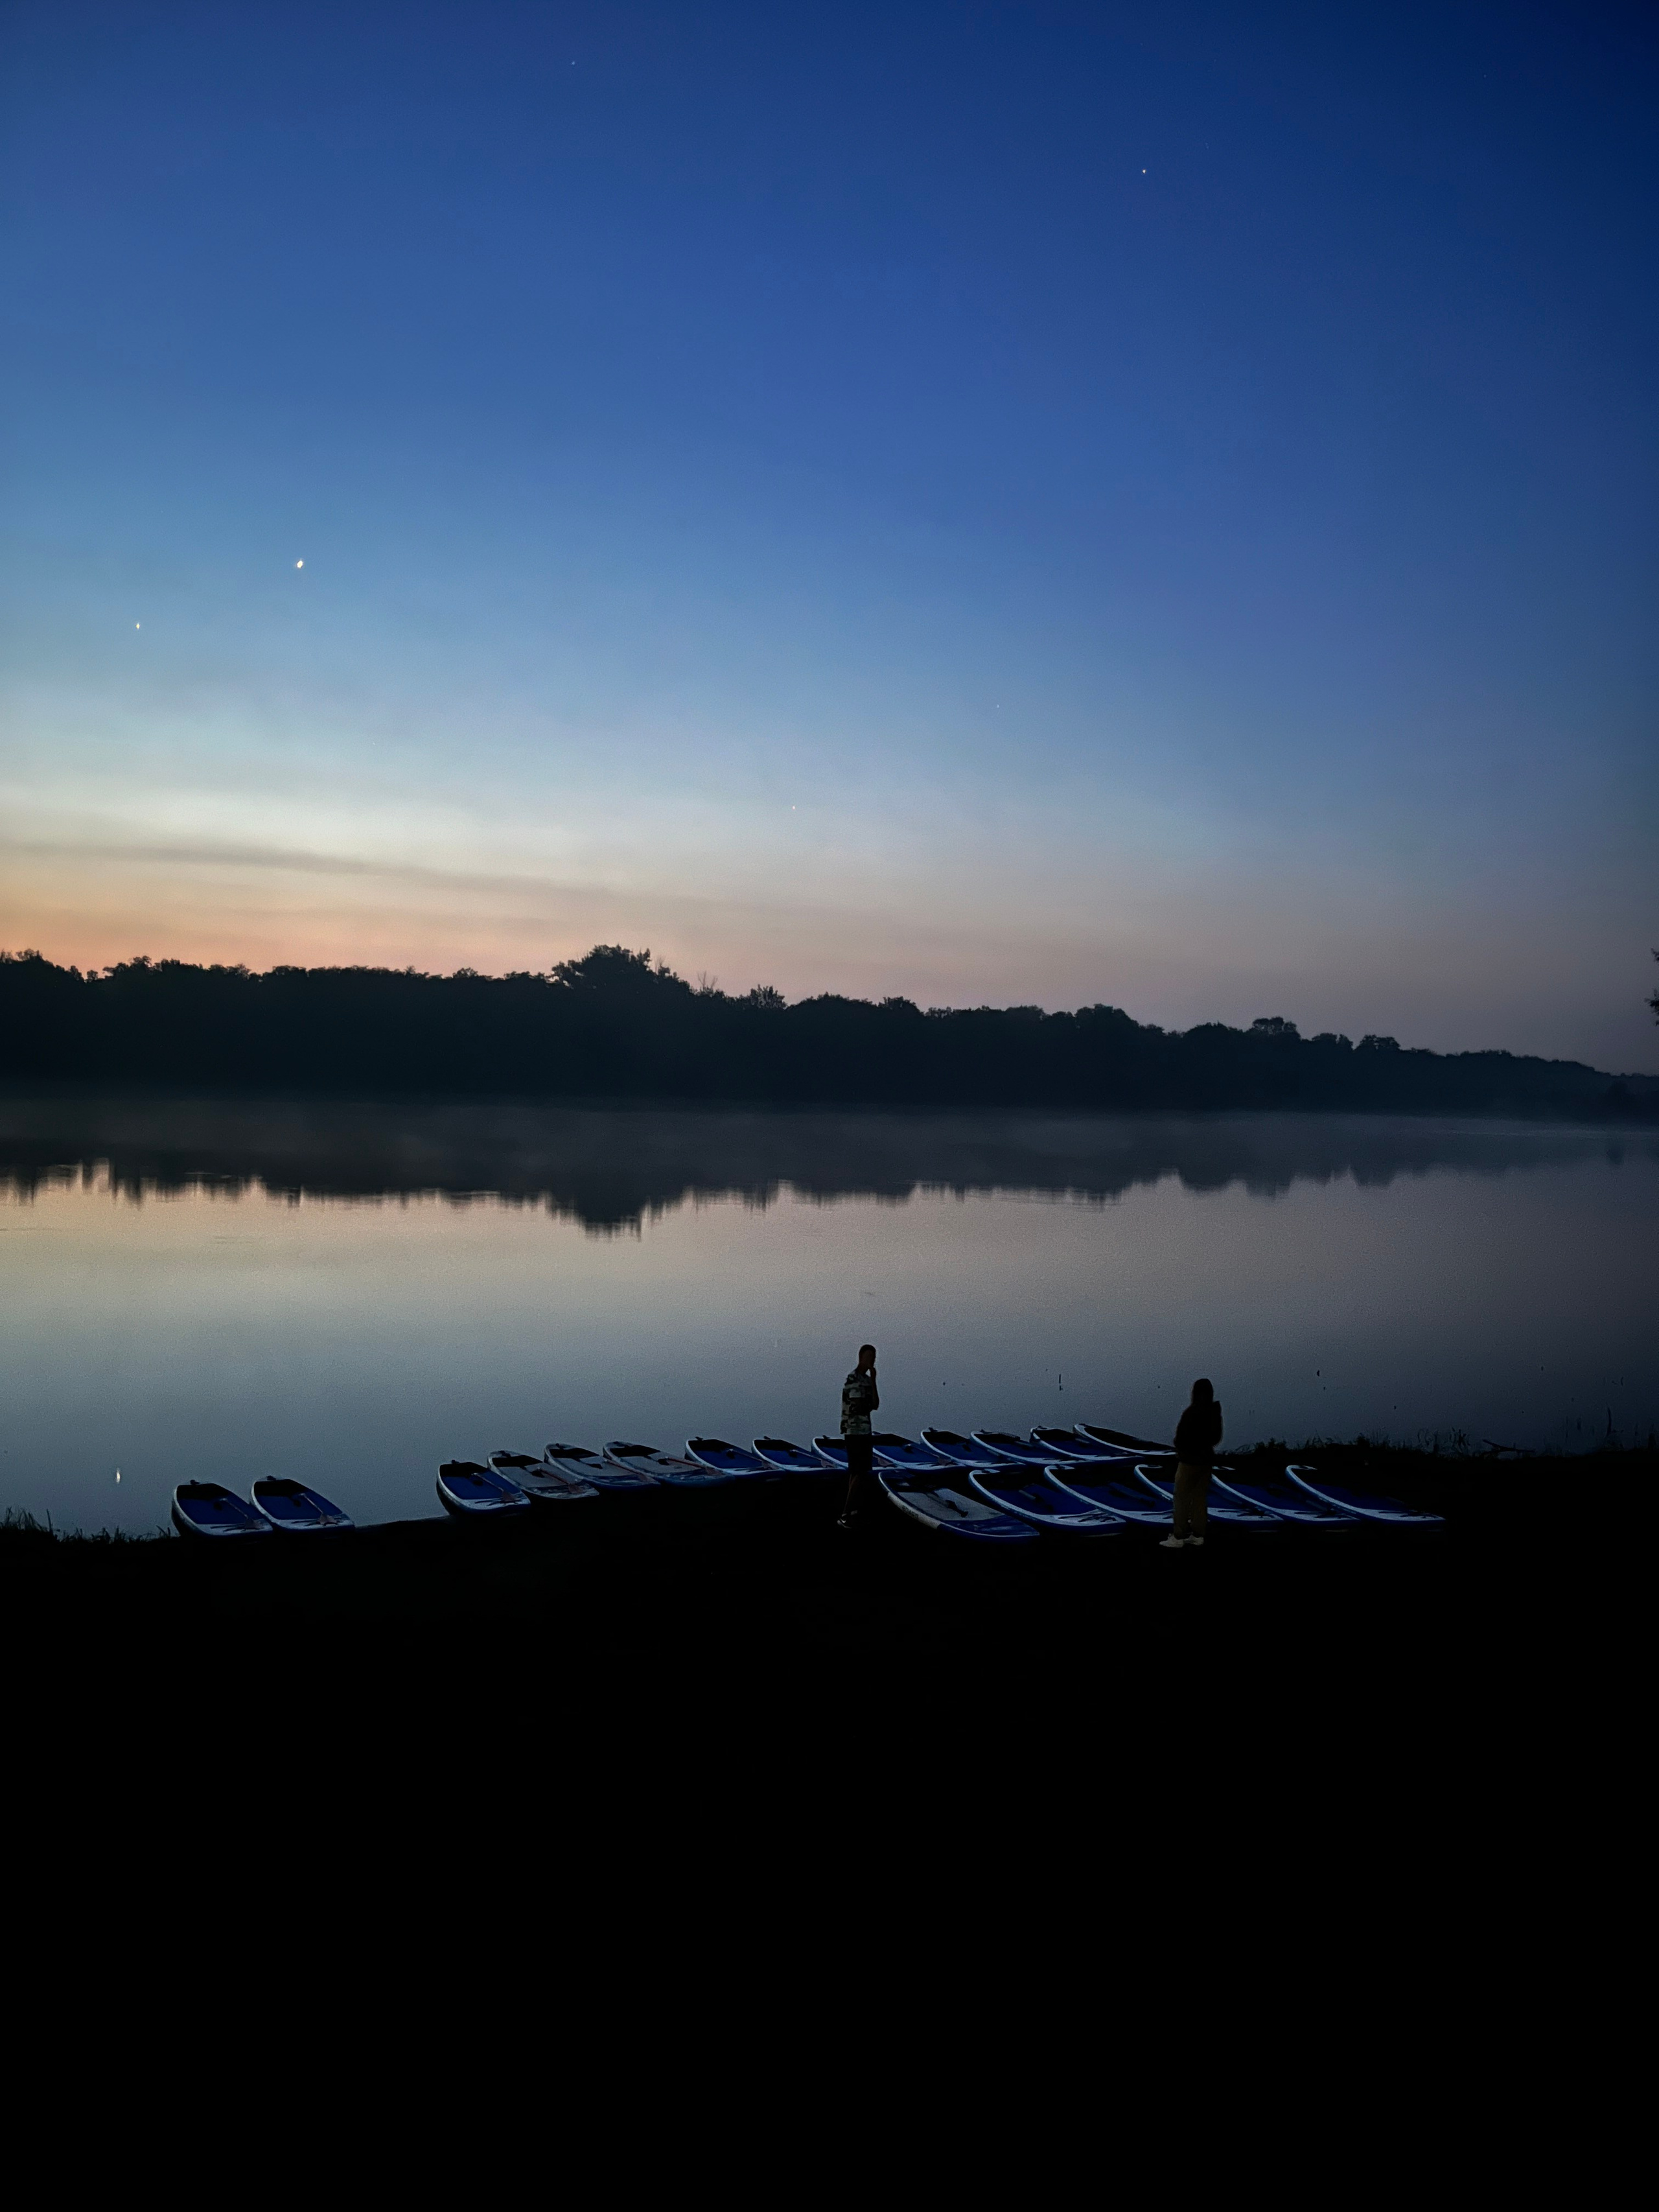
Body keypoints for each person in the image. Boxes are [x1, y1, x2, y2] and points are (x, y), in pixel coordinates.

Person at [1163, 1377, 1223, 1549]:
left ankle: (1179, 1537)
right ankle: (1198, 1535)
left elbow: (1180, 1438)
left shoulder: (1191, 1413)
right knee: (1199, 1499)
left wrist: (1184, 1448)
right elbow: (1216, 1437)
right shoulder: (1214, 1412)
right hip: (1205, 1462)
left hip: (1189, 1462)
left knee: (1181, 1498)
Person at [837, 1343, 879, 1528]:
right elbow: (859, 1406)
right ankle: (846, 1514)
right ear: (861, 1357)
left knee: (860, 1472)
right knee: (858, 1472)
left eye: (874, 1357)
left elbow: (875, 1404)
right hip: (854, 1431)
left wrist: (874, 1380)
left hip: (865, 1430)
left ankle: (853, 1512)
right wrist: (867, 1404)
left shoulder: (868, 1380)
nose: (872, 1360)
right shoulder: (852, 1378)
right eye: (869, 1357)